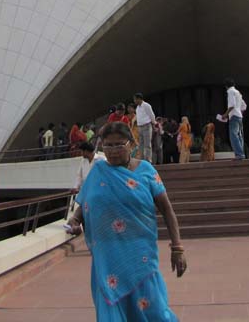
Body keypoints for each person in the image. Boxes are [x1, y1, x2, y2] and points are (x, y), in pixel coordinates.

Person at [66, 122, 186, 320]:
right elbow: (85, 202)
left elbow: (166, 209)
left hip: (140, 255)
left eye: (119, 145)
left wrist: (177, 248)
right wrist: (74, 221)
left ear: (132, 144)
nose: (112, 151)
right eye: (107, 145)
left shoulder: (146, 170)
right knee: (112, 310)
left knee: (154, 310)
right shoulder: (98, 171)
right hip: (107, 258)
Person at [223, 78, 246, 160]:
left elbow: (231, 105)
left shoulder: (230, 91)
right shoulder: (238, 92)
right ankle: (241, 154)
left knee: (233, 135)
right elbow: (244, 106)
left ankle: (239, 155)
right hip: (240, 117)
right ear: (234, 85)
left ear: (226, 86)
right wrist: (239, 113)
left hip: (234, 116)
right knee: (239, 136)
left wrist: (225, 115)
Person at [134, 93, 156, 162]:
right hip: (140, 127)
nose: (134, 101)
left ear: (139, 99)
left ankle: (148, 160)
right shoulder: (137, 108)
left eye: (135, 99)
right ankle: (142, 159)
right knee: (141, 145)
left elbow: (151, 115)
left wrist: (154, 123)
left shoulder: (146, 105)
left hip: (146, 125)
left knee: (147, 144)